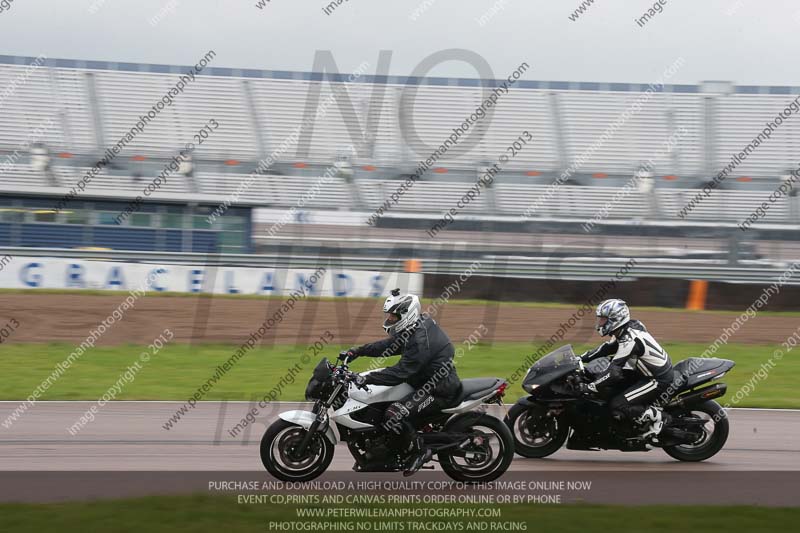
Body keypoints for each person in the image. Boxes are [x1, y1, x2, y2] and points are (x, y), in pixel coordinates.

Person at [339, 288, 462, 475]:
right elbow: (389, 345)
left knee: (394, 413)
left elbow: (400, 372)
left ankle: (419, 452)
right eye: (389, 316)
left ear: (407, 314)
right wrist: (358, 351)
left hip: (438, 389)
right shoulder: (414, 328)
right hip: (423, 381)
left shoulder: (420, 340)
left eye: (393, 317)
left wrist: (366, 378)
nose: (390, 320)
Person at [578, 298, 674, 439]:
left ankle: (660, 417)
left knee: (618, 404)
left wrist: (590, 387)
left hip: (656, 379)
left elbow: (614, 371)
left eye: (604, 319)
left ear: (616, 319)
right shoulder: (625, 329)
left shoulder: (629, 340)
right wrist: (580, 358)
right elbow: (606, 348)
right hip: (642, 372)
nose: (600, 323)